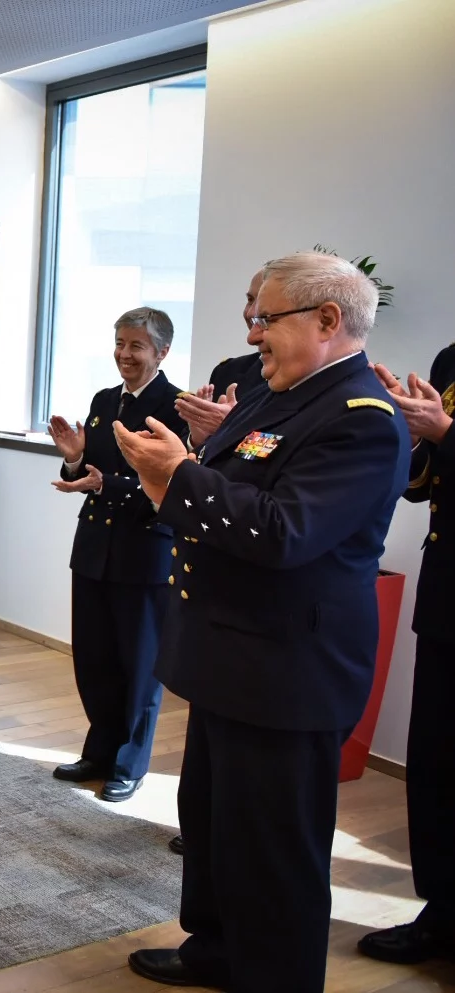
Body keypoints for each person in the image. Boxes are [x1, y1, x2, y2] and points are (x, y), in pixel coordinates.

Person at [115, 252, 409, 991]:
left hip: (287, 673)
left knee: (273, 853)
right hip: (230, 657)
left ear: (327, 319)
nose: (252, 334)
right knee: (215, 826)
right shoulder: (273, 394)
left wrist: (175, 474)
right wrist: (175, 469)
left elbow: (283, 532)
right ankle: (215, 951)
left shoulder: (361, 419)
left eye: (266, 318)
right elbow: (227, 483)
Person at [46, 308, 188, 802]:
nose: (125, 355)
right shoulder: (104, 401)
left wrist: (106, 482)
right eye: (120, 344)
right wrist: (73, 457)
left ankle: (130, 763)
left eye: (136, 346)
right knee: (94, 661)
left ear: (162, 352)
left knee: (140, 666)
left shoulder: (176, 407)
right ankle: (99, 751)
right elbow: (85, 475)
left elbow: (171, 486)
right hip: (93, 551)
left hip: (144, 555)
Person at [166, 267, 269, 856]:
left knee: (252, 806)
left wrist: (194, 457)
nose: (253, 322)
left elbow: (277, 514)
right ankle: (203, 834)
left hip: (262, 610)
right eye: (250, 301)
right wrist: (202, 444)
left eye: (265, 308)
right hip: (216, 589)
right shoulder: (236, 372)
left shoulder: (343, 408)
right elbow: (225, 465)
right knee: (207, 746)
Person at [358, 352, 455, 964]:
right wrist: (413, 433)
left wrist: (445, 431)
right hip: (446, 597)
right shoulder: (451, 359)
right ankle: (442, 913)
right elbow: (421, 486)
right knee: (435, 765)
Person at [175, 269, 269, 452]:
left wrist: (231, 428)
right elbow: (195, 452)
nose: (250, 313)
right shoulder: (229, 371)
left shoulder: (313, 385)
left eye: (264, 303)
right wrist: (198, 439)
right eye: (250, 300)